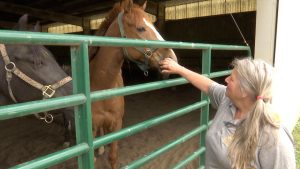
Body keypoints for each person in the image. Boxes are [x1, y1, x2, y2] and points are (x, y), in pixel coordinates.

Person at [160, 57, 296, 169]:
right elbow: (208, 85)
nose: (226, 80)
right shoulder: (228, 101)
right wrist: (178, 68)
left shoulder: (274, 137)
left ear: (244, 92)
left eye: (232, 79)